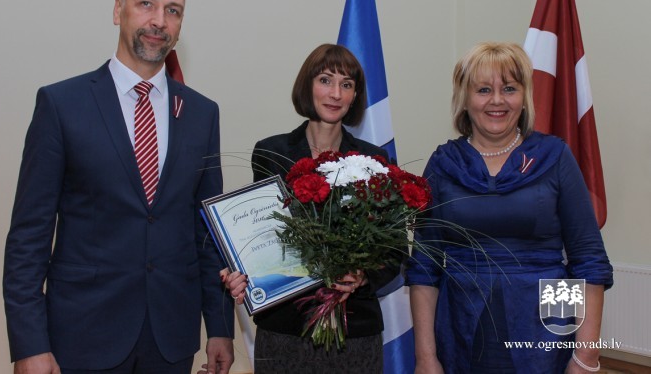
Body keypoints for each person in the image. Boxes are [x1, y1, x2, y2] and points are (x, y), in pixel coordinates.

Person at [3, 0, 234, 374]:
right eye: (146, 4)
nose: (159, 21)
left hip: (171, 339)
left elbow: (207, 232)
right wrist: (29, 344)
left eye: (173, 11)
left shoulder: (202, 113)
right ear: (118, 11)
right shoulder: (61, 105)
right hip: (82, 335)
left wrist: (219, 327)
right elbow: (28, 236)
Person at [406, 42, 613, 373]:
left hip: (550, 319)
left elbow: (589, 261)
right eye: (483, 90)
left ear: (524, 97)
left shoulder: (555, 156)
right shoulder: (444, 163)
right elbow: (423, 268)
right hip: (461, 323)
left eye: (509, 89)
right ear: (464, 99)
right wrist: (425, 357)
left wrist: (585, 356)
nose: (497, 100)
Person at [224, 44, 400, 373]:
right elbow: (261, 238)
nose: (335, 93)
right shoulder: (271, 153)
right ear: (308, 86)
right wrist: (240, 269)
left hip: (354, 331)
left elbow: (394, 250)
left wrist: (362, 275)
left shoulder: (374, 159)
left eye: (346, 84)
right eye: (325, 80)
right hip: (285, 329)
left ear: (355, 96)